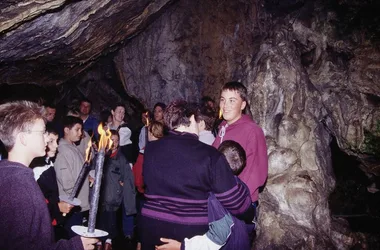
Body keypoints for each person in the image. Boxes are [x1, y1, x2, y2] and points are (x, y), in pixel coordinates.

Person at [139, 100, 252, 250]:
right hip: (188, 235)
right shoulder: (210, 156)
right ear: (192, 118)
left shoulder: (151, 150)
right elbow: (234, 202)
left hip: (152, 229)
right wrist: (249, 209)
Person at [0, 100, 97, 249]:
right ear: (23, 138)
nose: (46, 137)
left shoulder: (16, 176)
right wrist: (75, 245)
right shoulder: (17, 187)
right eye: (42, 132)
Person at [156, 140, 251, 250]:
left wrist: (182, 246)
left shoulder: (215, 195)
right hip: (241, 242)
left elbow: (219, 235)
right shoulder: (240, 185)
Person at [212, 81, 268, 213]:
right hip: (219, 197)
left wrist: (234, 198)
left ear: (243, 105)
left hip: (239, 202)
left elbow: (257, 172)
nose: (225, 105)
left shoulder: (252, 131)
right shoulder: (223, 128)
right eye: (223, 100)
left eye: (232, 101)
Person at [31, 125, 74, 240]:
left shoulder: (48, 162)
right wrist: (56, 207)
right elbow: (34, 205)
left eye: (56, 141)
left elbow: (50, 193)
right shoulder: (35, 169)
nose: (56, 145)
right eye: (51, 141)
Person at [97, 130, 136, 250]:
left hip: (113, 198)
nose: (114, 143)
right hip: (99, 198)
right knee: (99, 220)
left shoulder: (121, 159)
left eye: (116, 140)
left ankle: (108, 241)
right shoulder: (101, 155)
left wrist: (123, 187)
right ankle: (98, 241)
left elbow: (128, 179)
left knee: (110, 222)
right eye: (111, 140)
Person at [54, 115, 90, 238]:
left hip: (77, 203)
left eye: (81, 130)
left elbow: (77, 170)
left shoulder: (73, 148)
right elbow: (65, 179)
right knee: (72, 236)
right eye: (77, 129)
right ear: (66, 130)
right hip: (71, 203)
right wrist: (72, 199)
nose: (81, 133)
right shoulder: (63, 150)